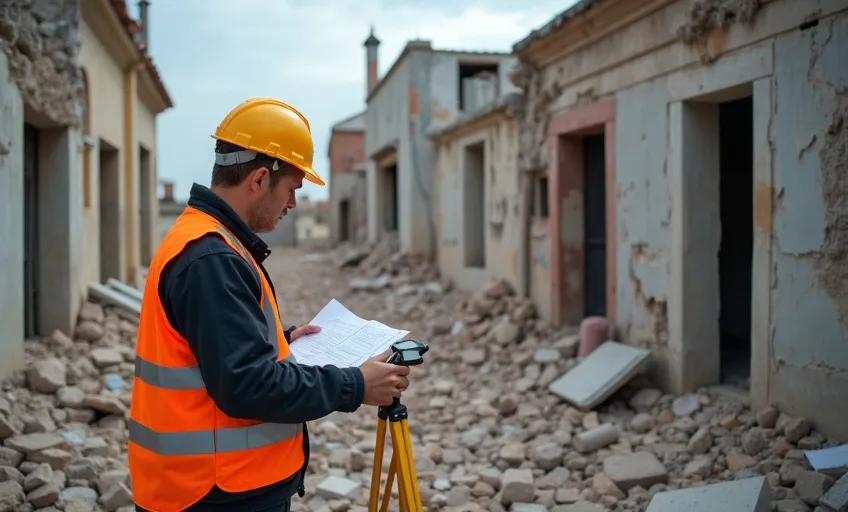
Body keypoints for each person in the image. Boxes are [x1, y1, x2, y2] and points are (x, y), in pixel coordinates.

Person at [128, 98, 411, 512]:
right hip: (214, 491)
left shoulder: (207, 239)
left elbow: (209, 350)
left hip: (210, 486)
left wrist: (278, 339)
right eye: (292, 189)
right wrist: (356, 385)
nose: (294, 203)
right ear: (260, 179)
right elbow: (246, 385)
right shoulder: (214, 259)